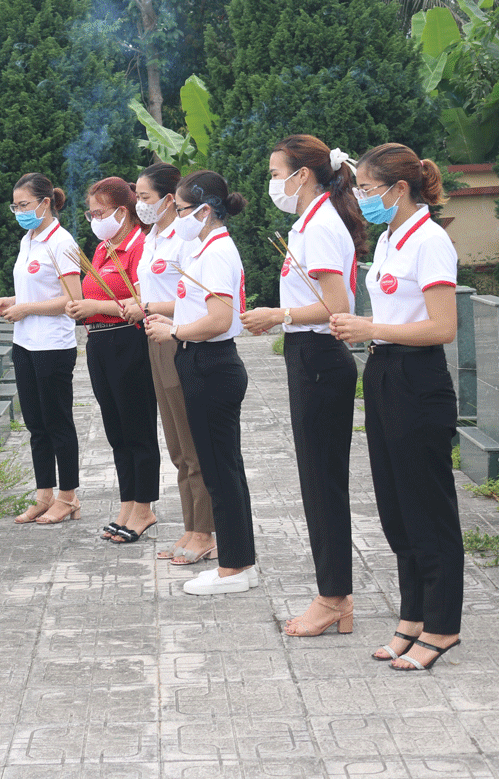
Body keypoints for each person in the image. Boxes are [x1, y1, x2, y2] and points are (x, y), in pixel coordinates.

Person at [330, 144, 463, 670]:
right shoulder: (389, 238)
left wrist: (371, 329)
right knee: (396, 505)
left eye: (366, 189)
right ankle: (413, 617)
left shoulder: (430, 242)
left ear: (398, 189)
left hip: (418, 375)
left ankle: (444, 625)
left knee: (428, 506)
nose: (361, 199)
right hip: (384, 371)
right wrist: (368, 334)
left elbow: (443, 326)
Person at [241, 135, 364, 637]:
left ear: (304, 175)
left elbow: (338, 306)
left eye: (277, 173)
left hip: (318, 355)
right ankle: (336, 595)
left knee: (321, 481)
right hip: (307, 354)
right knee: (318, 479)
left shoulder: (319, 226)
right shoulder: (309, 222)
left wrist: (279, 314)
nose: (273, 183)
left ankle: (333, 597)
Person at [144, 170, 257, 595]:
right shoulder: (202, 248)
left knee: (222, 471)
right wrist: (173, 320)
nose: (176, 215)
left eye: (181, 208)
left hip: (213, 363)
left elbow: (219, 319)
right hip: (201, 361)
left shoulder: (215, 252)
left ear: (205, 211)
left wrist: (174, 332)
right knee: (218, 469)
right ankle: (236, 560)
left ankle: (235, 567)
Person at [64, 177, 159, 542]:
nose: (94, 219)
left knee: (137, 426)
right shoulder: (103, 248)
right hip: (99, 342)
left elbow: (141, 299)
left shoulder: (139, 246)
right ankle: (127, 501)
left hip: (129, 340)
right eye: (90, 213)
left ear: (123, 211)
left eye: (99, 212)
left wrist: (96, 306)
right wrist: (82, 308)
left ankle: (145, 507)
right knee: (116, 429)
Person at [128, 163, 215, 564]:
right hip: (156, 338)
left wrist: (145, 306)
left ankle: (206, 530)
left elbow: (193, 298)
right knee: (177, 446)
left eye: (146, 198)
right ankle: (190, 525)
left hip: (179, 338)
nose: (140, 206)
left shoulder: (185, 241)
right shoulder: (152, 237)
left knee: (193, 443)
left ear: (168, 200)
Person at [0, 173, 83, 525]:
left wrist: (26, 308)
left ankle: (69, 496)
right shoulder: (28, 239)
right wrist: (10, 301)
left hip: (53, 345)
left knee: (58, 422)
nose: (19, 212)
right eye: (15, 206)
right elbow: (34, 291)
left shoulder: (62, 242)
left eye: (25, 205)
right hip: (25, 343)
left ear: (46, 203)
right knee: (35, 424)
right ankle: (44, 494)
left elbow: (73, 299)